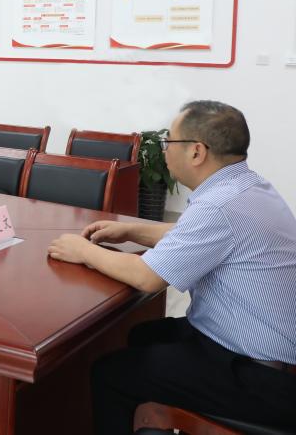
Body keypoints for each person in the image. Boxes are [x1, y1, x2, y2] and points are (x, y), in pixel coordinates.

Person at [48, 101, 296, 434]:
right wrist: (131, 230)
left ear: (196, 152)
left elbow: (147, 277)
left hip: (258, 376)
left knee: (110, 374)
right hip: (261, 351)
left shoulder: (219, 204)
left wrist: (83, 251)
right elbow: (197, 235)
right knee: (141, 335)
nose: (164, 150)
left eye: (169, 142)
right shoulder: (246, 187)